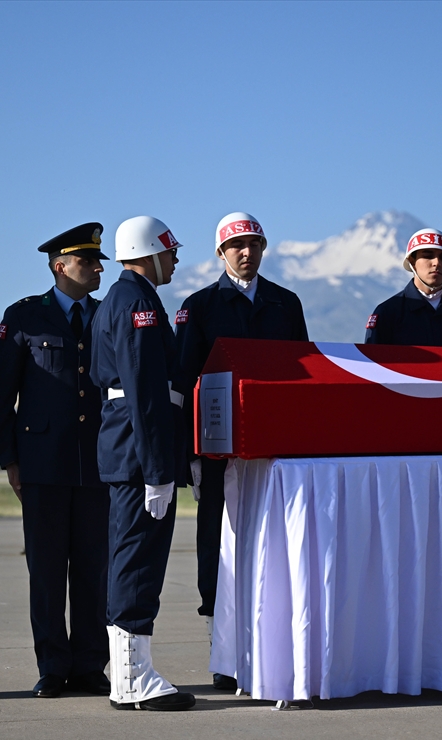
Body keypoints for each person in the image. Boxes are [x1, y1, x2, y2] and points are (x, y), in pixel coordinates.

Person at [174, 212, 308, 691]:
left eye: (253, 244)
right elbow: (184, 381)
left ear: (264, 248)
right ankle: (221, 648)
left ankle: (275, 641)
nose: (246, 252)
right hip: (217, 454)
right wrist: (188, 453)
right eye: (236, 246)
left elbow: (302, 375)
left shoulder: (286, 304)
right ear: (220, 254)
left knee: (275, 543)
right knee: (216, 546)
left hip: (275, 453)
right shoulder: (200, 306)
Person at [0, 222, 111, 698]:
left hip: (98, 464)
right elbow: (2, 396)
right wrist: (10, 461)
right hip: (42, 464)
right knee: (46, 571)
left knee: (92, 569)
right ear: (61, 267)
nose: (99, 267)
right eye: (88, 261)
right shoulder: (24, 318)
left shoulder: (105, 315)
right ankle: (52, 666)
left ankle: (89, 665)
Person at [91, 215, 194, 711]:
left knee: (132, 557)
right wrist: (158, 471)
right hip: (138, 455)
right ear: (149, 252)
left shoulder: (125, 298)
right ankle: (132, 679)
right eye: (169, 252)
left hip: (130, 451)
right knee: (137, 560)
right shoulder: (137, 303)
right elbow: (146, 392)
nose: (174, 260)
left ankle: (127, 670)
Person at [364, 228, 442, 347]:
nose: (436, 263)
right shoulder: (387, 313)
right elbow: (371, 364)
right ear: (412, 262)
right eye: (428, 256)